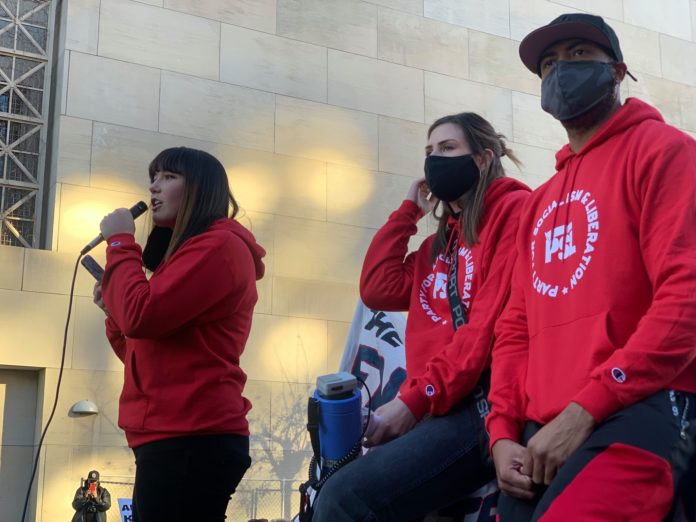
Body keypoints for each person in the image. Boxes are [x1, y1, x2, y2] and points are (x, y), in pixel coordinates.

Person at [486, 13, 696, 521]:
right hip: (542, 431)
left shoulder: (667, 153)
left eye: (579, 55)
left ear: (618, 71)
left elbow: (686, 297)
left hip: (645, 406)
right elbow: (516, 328)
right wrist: (501, 434)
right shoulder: (538, 202)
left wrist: (589, 406)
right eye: (549, 64)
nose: (561, 71)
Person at [312, 113, 531, 521]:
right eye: (429, 151)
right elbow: (378, 287)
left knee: (345, 498)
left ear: (483, 159)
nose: (434, 160)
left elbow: (483, 330)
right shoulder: (437, 244)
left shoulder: (514, 213)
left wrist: (414, 401)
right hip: (436, 404)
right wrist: (407, 213)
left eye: (448, 148)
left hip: (479, 405)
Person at [92, 147, 265, 522]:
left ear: (200, 189)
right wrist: (113, 309)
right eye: (153, 177)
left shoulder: (218, 246)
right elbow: (144, 348)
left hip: (192, 436)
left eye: (168, 177)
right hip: (171, 436)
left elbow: (142, 317)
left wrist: (121, 243)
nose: (153, 187)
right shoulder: (188, 254)